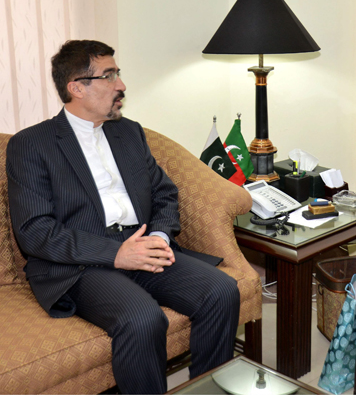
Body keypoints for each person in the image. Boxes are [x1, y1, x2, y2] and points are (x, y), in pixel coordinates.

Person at [6, 40, 240, 394]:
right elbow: (34, 231)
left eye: (119, 74)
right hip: (83, 264)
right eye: (109, 75)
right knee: (143, 318)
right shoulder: (32, 144)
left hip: (143, 244)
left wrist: (160, 237)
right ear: (77, 87)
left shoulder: (128, 132)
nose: (121, 85)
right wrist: (115, 254)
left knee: (221, 291)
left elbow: (164, 193)